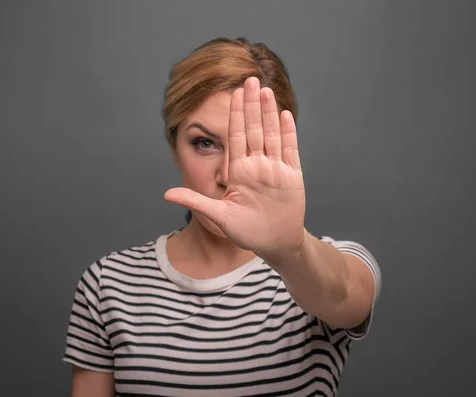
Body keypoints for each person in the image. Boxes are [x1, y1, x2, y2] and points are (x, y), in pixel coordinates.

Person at [63, 37, 382, 397]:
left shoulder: (325, 265)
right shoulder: (108, 284)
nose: (229, 175)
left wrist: (290, 251)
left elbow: (345, 296)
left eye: (252, 144)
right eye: (204, 143)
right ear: (174, 148)